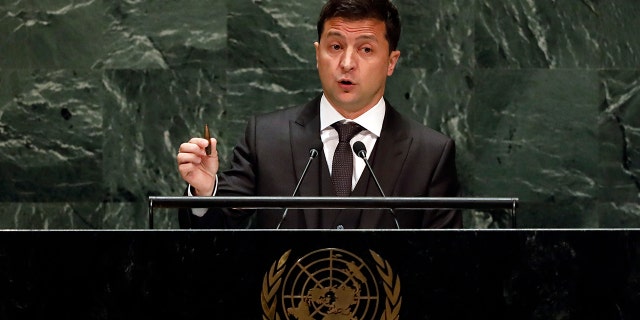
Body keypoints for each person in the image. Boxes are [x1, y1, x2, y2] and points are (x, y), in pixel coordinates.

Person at [176, 0, 461, 229]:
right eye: (335, 46)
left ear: (391, 61)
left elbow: (446, 262)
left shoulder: (429, 153)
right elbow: (214, 238)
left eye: (366, 49)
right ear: (317, 53)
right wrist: (205, 193)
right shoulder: (266, 138)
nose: (347, 63)